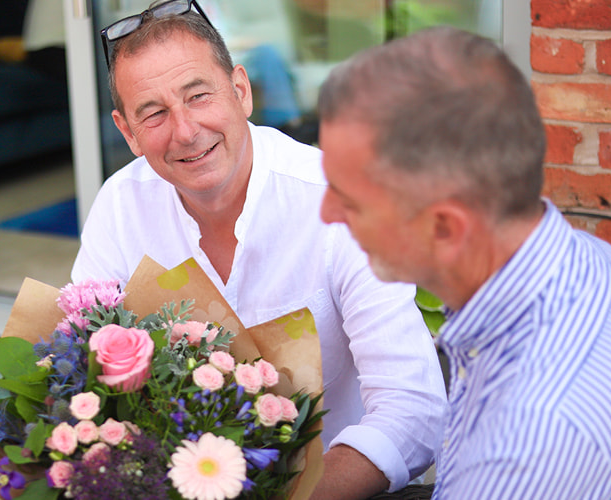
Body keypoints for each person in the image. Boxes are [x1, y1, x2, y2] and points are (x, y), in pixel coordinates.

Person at [71, 1, 448, 498]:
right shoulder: (121, 206)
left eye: (198, 96)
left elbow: (413, 408)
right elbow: (78, 372)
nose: (185, 131)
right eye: (154, 113)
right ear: (128, 132)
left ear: (241, 91)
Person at [317, 27, 611, 498]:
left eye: (350, 200)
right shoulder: (585, 259)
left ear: (446, 228)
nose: (326, 213)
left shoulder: (520, 450)